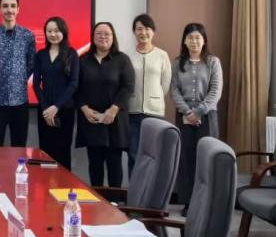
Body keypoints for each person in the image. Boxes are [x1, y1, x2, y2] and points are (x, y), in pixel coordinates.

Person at [170, 22, 223, 205]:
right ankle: (188, 202)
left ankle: (205, 203)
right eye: (190, 38)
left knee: (206, 158)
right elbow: (174, 90)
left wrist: (199, 112)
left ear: (204, 40)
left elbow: (215, 90)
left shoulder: (213, 62)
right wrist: (187, 111)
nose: (194, 41)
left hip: (207, 116)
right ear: (184, 41)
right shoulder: (178, 63)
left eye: (197, 38)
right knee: (186, 159)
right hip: (183, 115)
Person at [76, 21, 134, 188]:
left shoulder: (122, 60)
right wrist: (84, 109)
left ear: (113, 37)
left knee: (115, 166)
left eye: (107, 34)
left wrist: (113, 109)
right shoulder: (83, 60)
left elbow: (128, 87)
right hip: (91, 120)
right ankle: (98, 199)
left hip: (114, 121)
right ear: (93, 37)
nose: (103, 37)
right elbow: (76, 88)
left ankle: (115, 200)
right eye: (99, 34)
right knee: (95, 165)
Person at [0, 0, 36, 147]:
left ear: (18, 9)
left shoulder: (28, 36)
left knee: (19, 147)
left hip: (20, 101)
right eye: (5, 6)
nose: (9, 10)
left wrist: (17, 80)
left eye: (13, 6)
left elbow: (31, 64)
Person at [125, 13, 172, 177]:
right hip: (132, 111)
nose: (143, 32)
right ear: (134, 32)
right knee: (133, 154)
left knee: (153, 155)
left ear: (153, 31)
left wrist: (154, 98)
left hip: (154, 113)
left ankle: (151, 191)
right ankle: (134, 190)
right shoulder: (127, 55)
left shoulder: (162, 55)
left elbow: (165, 83)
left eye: (147, 28)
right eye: (139, 29)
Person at [32, 16, 79, 170]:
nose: (52, 34)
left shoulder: (71, 54)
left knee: (63, 153)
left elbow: (73, 83)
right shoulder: (40, 54)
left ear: (63, 32)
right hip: (45, 112)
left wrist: (56, 107)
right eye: (49, 31)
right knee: (46, 154)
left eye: (56, 31)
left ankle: (63, 184)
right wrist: (46, 108)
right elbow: (36, 84)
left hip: (65, 111)